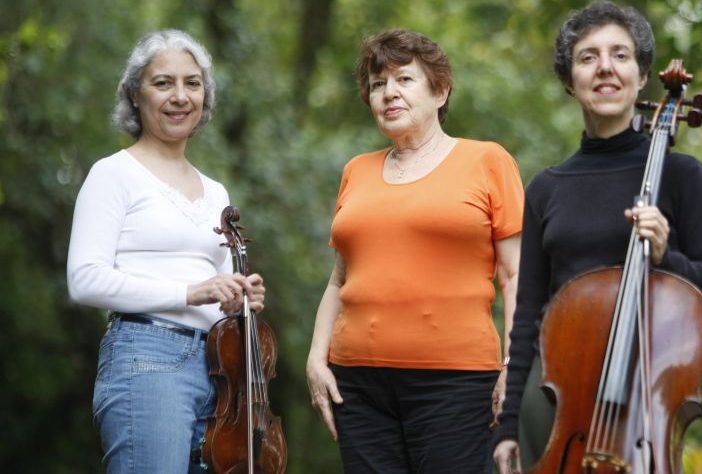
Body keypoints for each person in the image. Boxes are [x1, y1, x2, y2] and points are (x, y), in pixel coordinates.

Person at [493, 1, 702, 474]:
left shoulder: (681, 174)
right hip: (552, 396)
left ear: (642, 75)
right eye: (588, 57)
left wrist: (667, 256)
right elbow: (526, 316)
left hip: (644, 402)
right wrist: (507, 429)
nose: (605, 67)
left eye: (620, 55)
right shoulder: (547, 188)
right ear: (570, 81)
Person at [305, 28, 524, 474]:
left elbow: (515, 275)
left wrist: (513, 366)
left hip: (456, 383)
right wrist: (315, 358)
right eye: (377, 83)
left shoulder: (487, 160)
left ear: (440, 90)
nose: (388, 93)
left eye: (404, 80)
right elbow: (339, 279)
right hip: (357, 386)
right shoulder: (356, 171)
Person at [67, 29, 266, 474]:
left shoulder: (217, 192)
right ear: (136, 94)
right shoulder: (113, 174)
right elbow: (85, 279)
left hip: (220, 373)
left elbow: (216, 296)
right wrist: (190, 292)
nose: (180, 96)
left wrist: (239, 299)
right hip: (146, 357)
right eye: (163, 83)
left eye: (192, 83)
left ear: (205, 96)